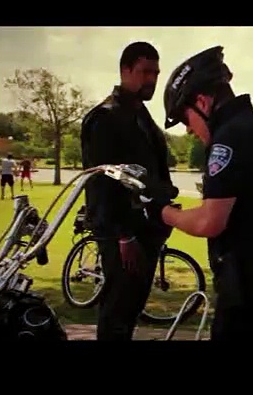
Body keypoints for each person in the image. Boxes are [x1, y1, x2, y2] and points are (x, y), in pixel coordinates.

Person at [154, 45, 253, 341]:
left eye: (186, 119)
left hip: (247, 294)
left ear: (202, 102)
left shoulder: (228, 139)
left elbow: (210, 222)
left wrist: (164, 213)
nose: (189, 130)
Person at [80, 41, 177, 341]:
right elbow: (102, 181)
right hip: (122, 233)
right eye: (145, 72)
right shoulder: (105, 117)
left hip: (147, 229)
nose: (152, 79)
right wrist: (124, 235)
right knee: (118, 311)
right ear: (125, 70)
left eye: (155, 73)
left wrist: (164, 209)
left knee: (131, 309)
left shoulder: (142, 115)